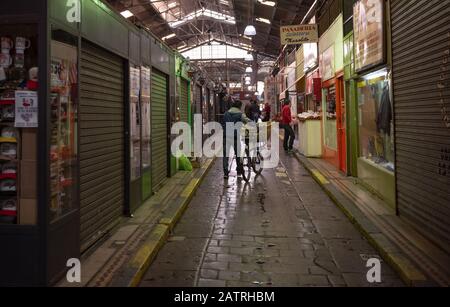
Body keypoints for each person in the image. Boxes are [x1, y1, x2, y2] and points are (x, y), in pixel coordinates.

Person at [223, 100, 249, 179]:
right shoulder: (240, 114)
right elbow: (247, 121)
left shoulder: (226, 113)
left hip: (226, 136)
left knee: (225, 156)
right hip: (235, 137)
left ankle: (226, 173)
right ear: (239, 107)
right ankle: (239, 171)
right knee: (238, 154)